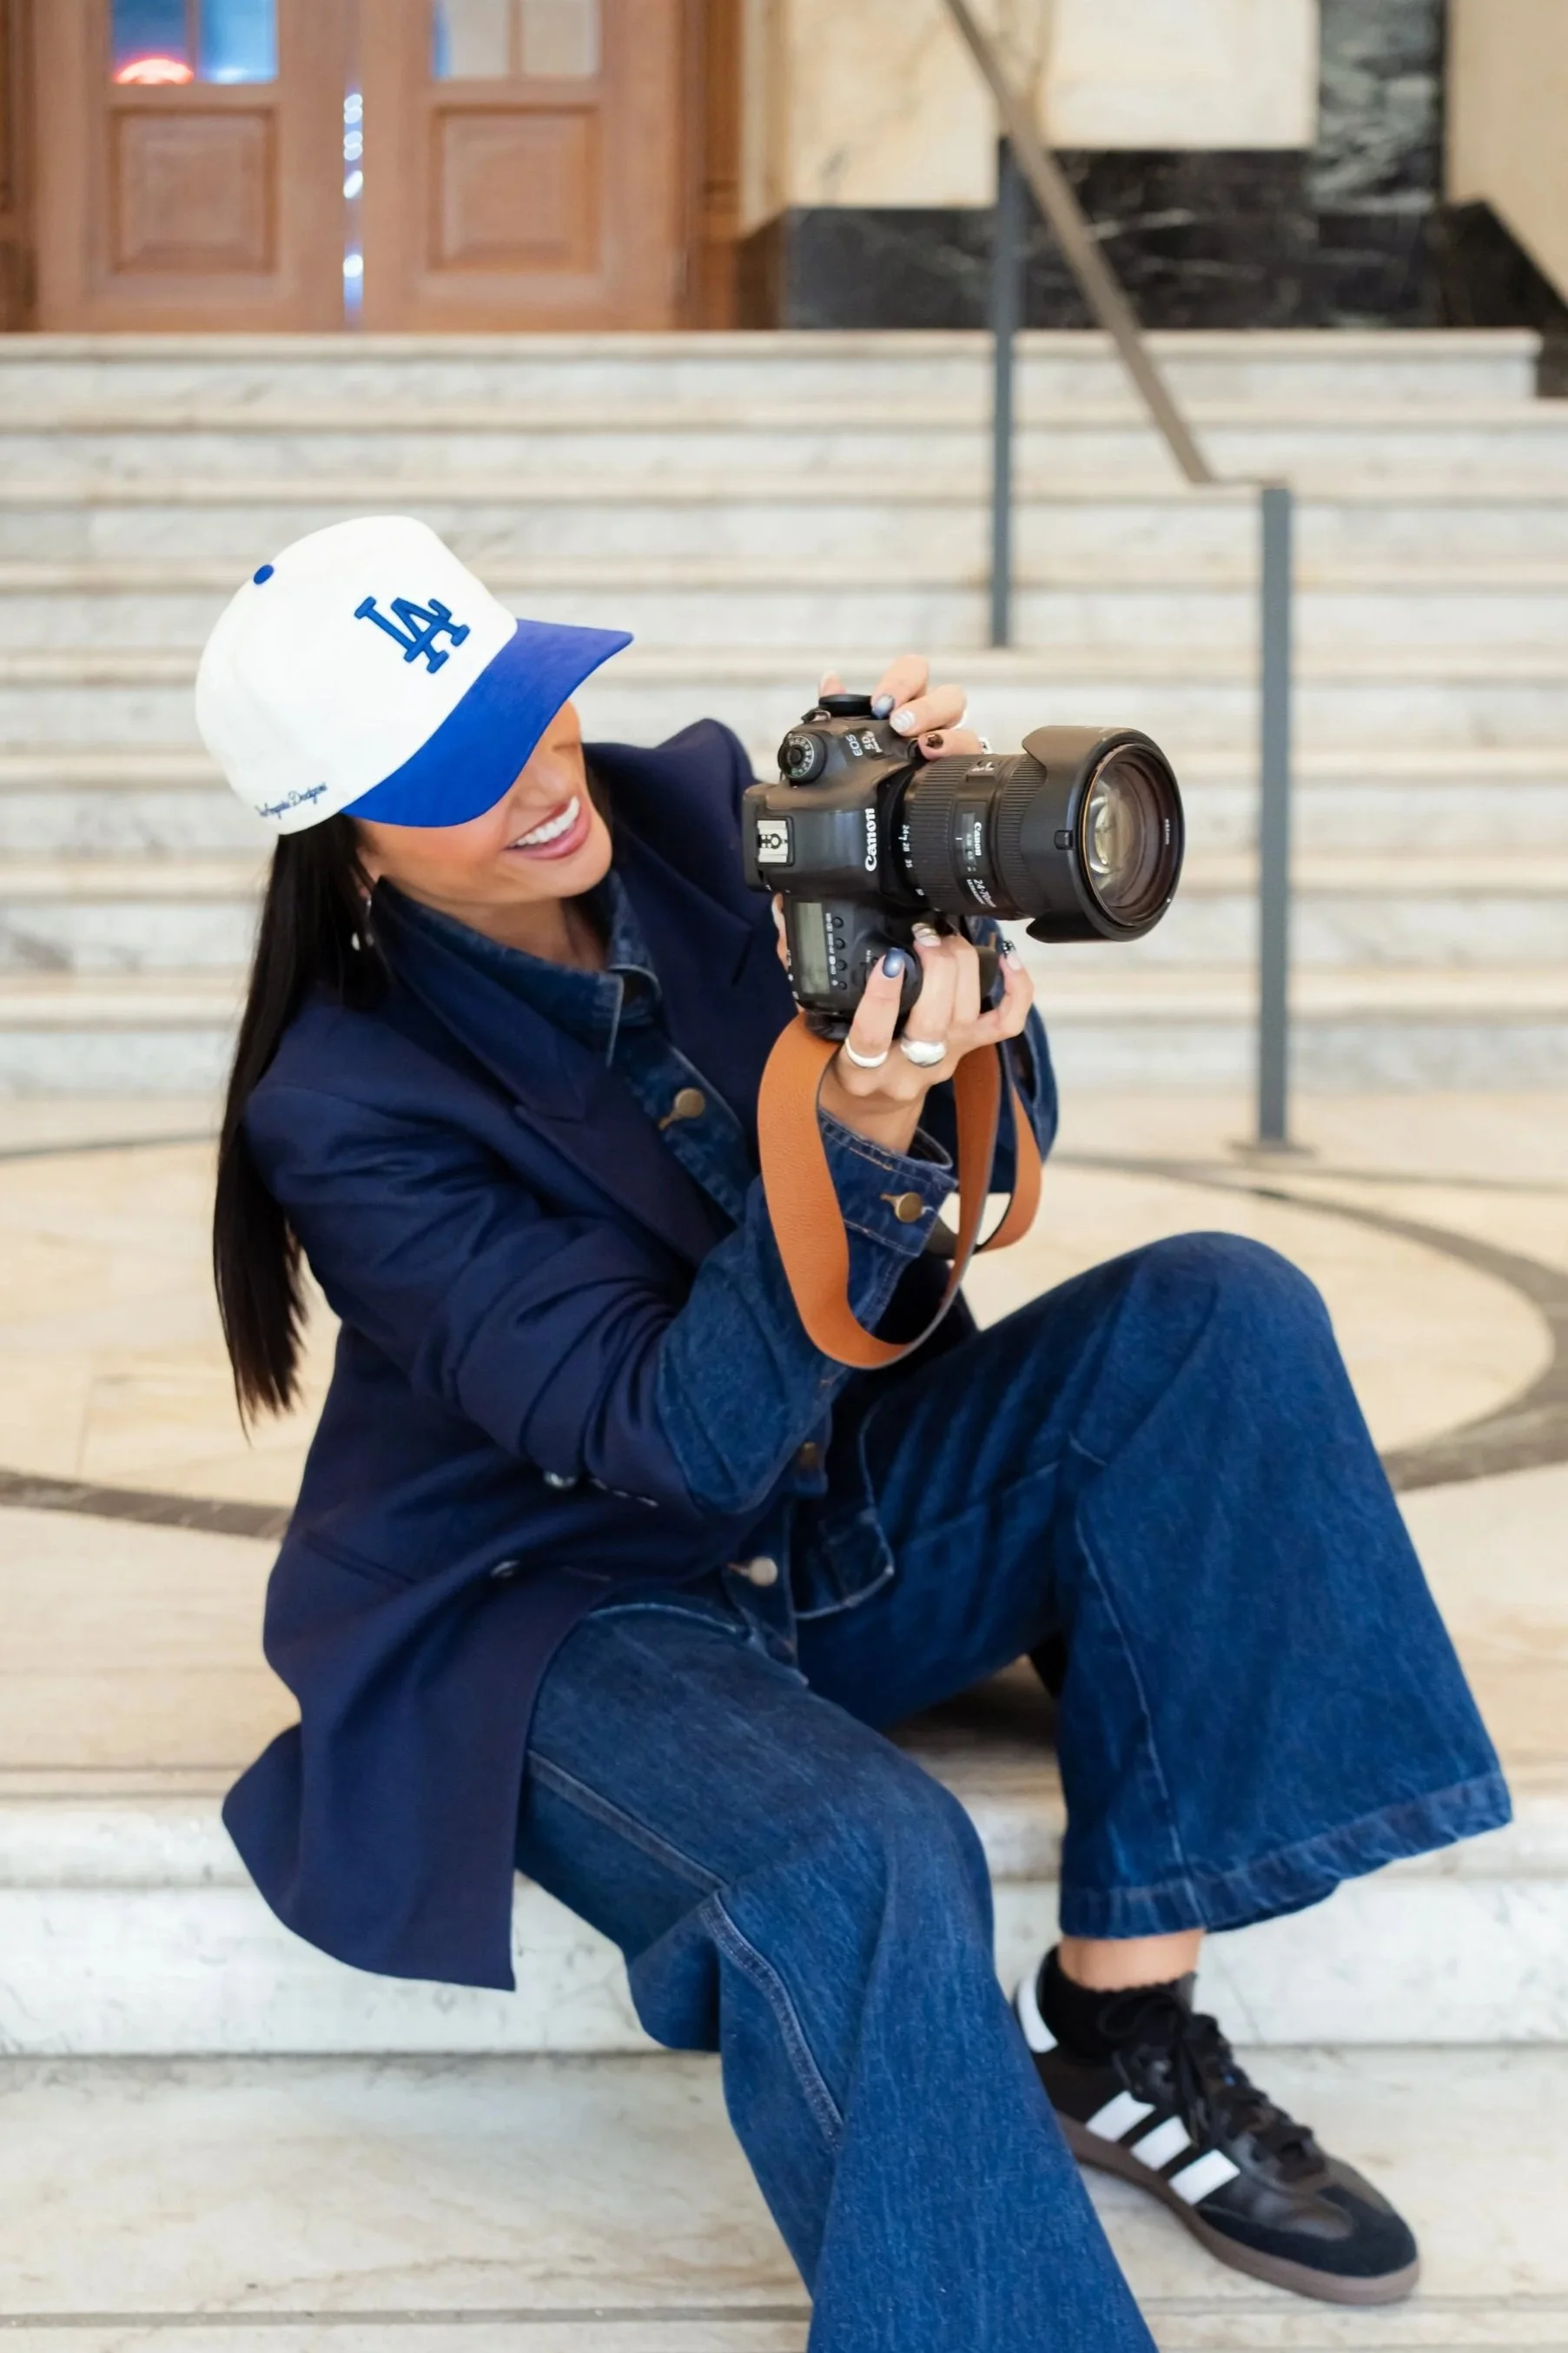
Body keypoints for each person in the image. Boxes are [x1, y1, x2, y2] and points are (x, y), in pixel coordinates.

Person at [200, 515, 1509, 2352]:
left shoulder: (709, 817)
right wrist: (856, 1126)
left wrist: (943, 942)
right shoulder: (343, 1101)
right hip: (560, 1607)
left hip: (836, 1516)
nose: (532, 779)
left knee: (1218, 1310)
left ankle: (1120, 2028)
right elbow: (676, 1433)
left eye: (524, 709)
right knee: (861, 1852)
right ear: (342, 834)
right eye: (448, 768)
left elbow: (982, 1152)